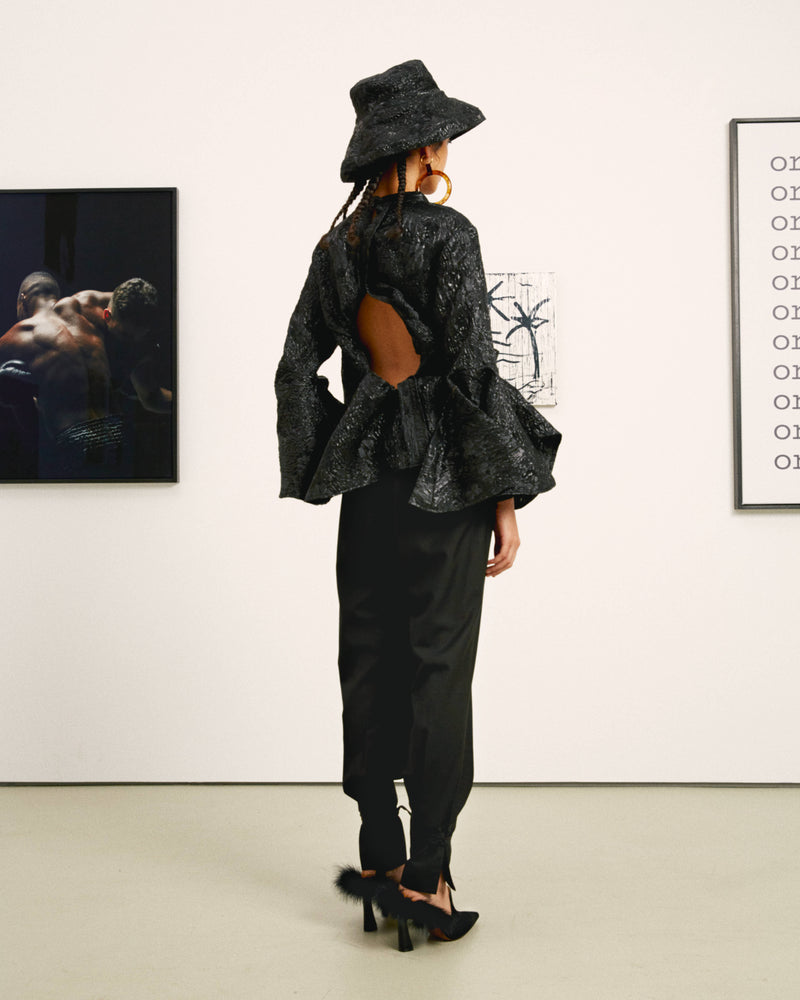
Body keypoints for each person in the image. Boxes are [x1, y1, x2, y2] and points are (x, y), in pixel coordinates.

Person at [275, 60, 561, 949]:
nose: (447, 150)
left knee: (367, 661)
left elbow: (294, 369)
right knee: (439, 670)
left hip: (368, 486)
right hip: (444, 489)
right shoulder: (449, 234)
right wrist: (504, 494)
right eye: (442, 137)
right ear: (424, 146)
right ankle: (429, 879)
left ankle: (379, 856)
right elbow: (472, 370)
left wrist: (333, 450)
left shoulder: (335, 248)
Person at [0, 271, 171, 478]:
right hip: (121, 435)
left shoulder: (22, 333)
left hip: (75, 442)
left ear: (22, 299)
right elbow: (152, 399)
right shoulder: (88, 308)